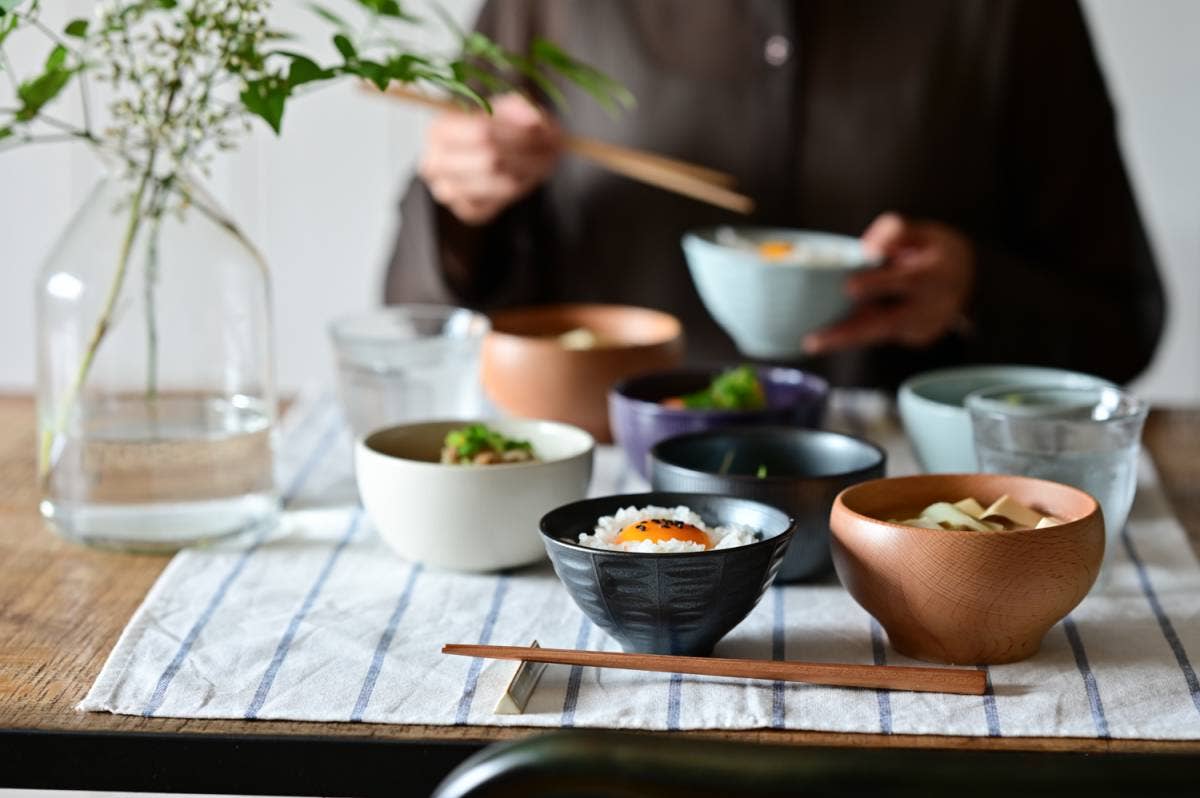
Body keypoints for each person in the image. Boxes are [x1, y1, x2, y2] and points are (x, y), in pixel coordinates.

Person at [385, 0, 1165, 388]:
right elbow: (416, 315)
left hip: (919, 500)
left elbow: (1120, 326)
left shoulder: (1010, 17)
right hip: (608, 489)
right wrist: (465, 205)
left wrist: (972, 290)